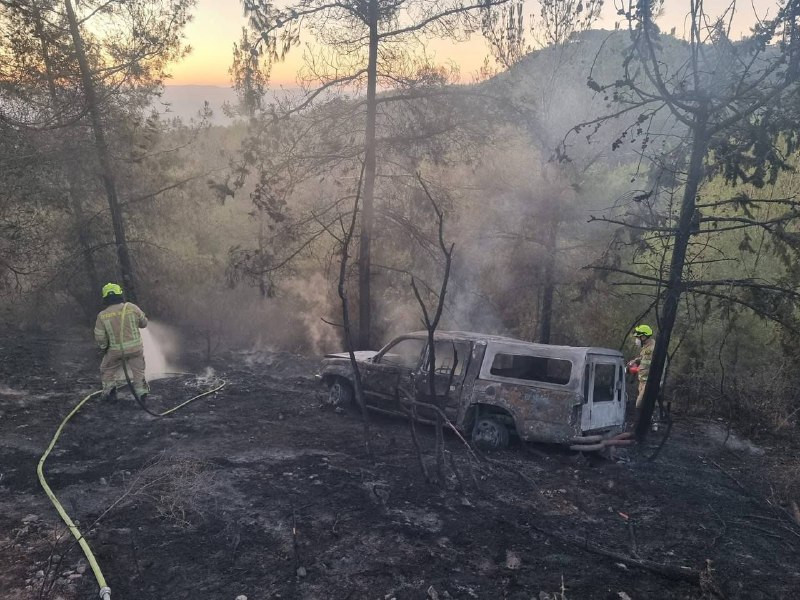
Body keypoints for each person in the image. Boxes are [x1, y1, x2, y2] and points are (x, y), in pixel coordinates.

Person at [93, 283, 149, 401]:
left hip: (115, 351)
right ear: (120, 294)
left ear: (105, 298)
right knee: (138, 371)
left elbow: (99, 336)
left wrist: (104, 348)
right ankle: (141, 393)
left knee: (107, 369)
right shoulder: (132, 307)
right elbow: (144, 324)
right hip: (135, 349)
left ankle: (110, 393)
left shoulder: (102, 316)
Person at [628, 324, 655, 410]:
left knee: (639, 405)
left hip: (648, 383)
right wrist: (635, 361)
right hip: (642, 382)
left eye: (638, 337)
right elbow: (643, 359)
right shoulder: (646, 347)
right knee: (644, 407)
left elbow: (650, 365)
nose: (636, 340)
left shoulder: (652, 349)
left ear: (643, 337)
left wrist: (635, 369)